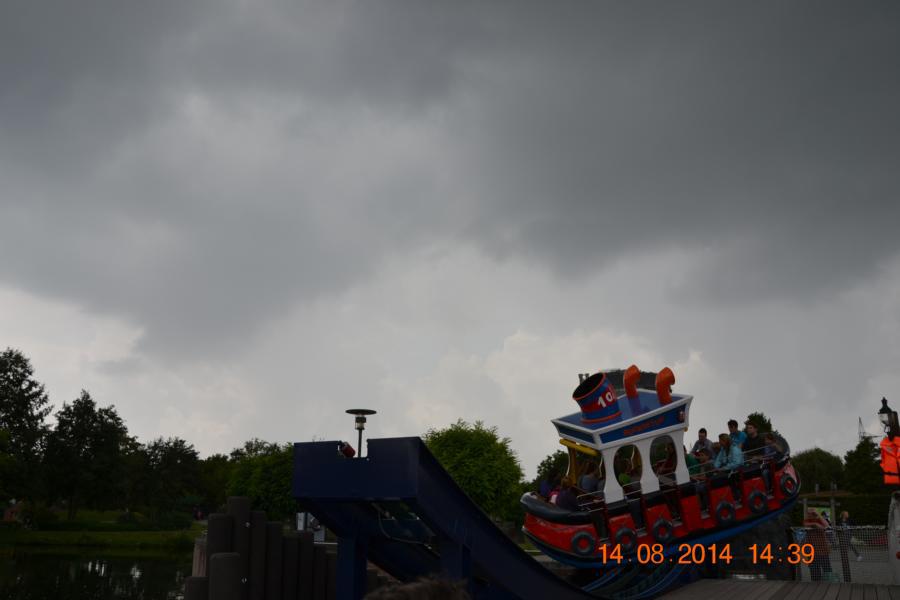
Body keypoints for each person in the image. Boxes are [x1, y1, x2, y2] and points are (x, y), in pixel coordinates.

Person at [804, 508, 834, 581]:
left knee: (827, 570)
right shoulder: (807, 521)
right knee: (814, 570)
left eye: (811, 513)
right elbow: (805, 524)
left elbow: (827, 526)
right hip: (812, 551)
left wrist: (818, 515)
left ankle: (828, 583)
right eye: (808, 514)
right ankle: (816, 583)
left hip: (822, 549)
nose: (809, 515)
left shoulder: (820, 520)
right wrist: (815, 524)